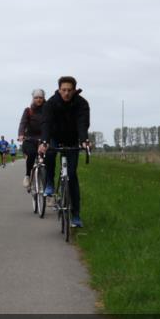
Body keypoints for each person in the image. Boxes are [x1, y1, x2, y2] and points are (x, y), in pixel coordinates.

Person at [40, 76, 91, 228]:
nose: (66, 93)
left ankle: (75, 215)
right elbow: (46, 123)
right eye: (64, 90)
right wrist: (44, 141)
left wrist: (84, 140)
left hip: (72, 139)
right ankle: (49, 182)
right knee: (49, 154)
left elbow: (83, 123)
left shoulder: (82, 104)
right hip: (54, 137)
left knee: (72, 176)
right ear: (59, 89)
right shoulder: (50, 103)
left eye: (69, 90)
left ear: (74, 90)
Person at [18, 89, 47, 189]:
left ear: (43, 98)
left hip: (44, 139)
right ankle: (27, 175)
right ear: (33, 98)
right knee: (31, 153)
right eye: (36, 97)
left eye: (40, 97)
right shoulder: (28, 111)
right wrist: (21, 134)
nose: (38, 99)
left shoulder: (47, 110)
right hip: (30, 139)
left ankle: (47, 182)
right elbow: (23, 123)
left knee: (48, 158)